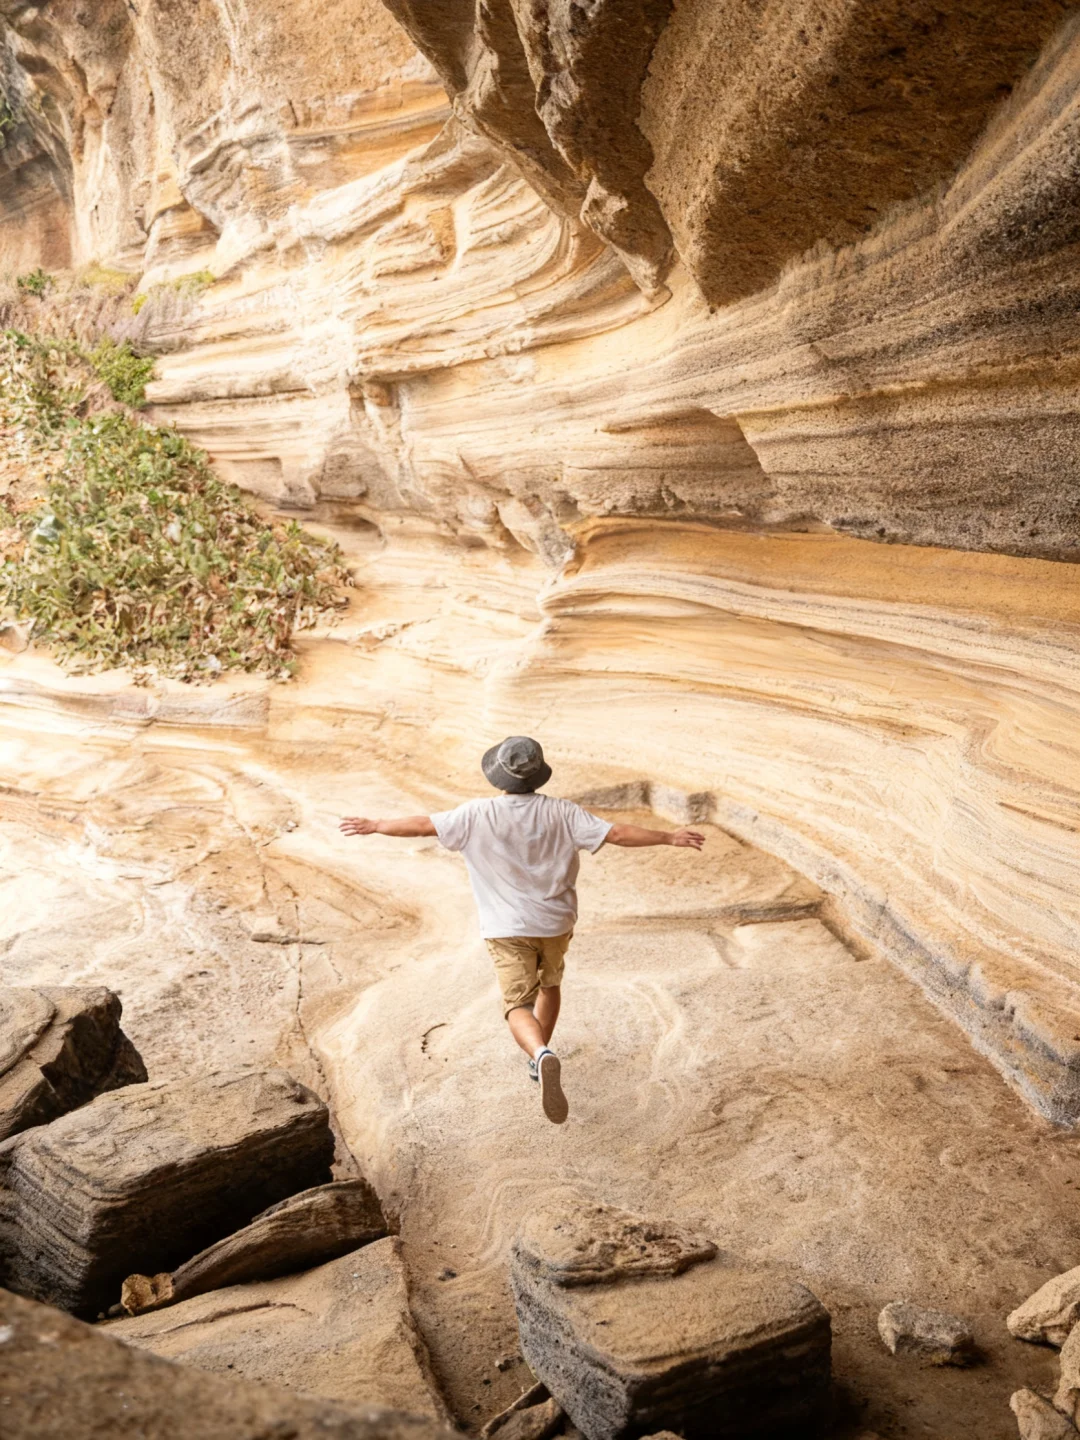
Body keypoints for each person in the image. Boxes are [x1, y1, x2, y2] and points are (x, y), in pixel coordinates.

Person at [340, 736, 705, 1124]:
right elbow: (616, 834)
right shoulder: (564, 813)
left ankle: (540, 1054)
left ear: (499, 777)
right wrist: (669, 837)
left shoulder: (477, 814)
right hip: (555, 923)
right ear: (539, 776)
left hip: (506, 927)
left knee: (517, 1004)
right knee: (550, 986)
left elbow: (422, 826)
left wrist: (376, 825)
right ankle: (539, 1060)